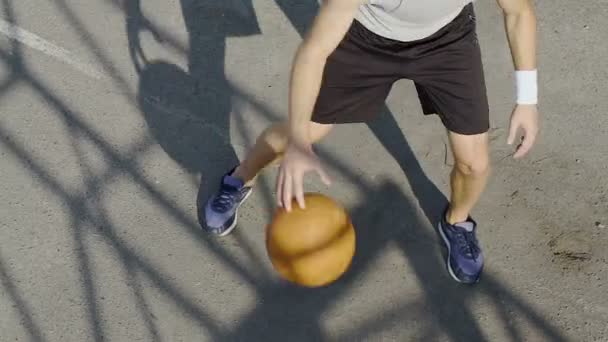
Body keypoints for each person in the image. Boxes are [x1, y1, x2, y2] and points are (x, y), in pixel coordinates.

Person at [202, 0, 539, 284]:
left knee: (475, 163)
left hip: (447, 41)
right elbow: (315, 51)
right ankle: (240, 177)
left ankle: (457, 222)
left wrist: (527, 100)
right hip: (366, 40)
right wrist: (300, 145)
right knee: (303, 131)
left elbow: (518, 12)